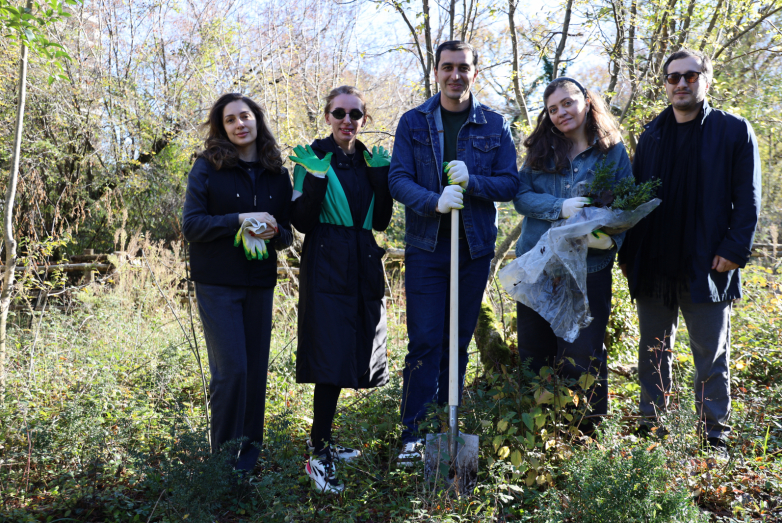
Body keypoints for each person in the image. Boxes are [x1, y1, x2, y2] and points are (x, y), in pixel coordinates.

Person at [618, 49, 761, 456]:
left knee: (710, 355)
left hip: (709, 263)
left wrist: (735, 249)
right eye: (673, 77)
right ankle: (651, 427)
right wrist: (629, 253)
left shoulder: (733, 131)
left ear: (706, 80)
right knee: (652, 352)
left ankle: (714, 435)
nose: (681, 83)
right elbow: (636, 200)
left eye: (690, 76)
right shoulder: (652, 135)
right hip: (654, 265)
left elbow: (747, 199)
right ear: (665, 84)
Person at [388, 40, 519, 465]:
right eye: (447, 67)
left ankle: (449, 427)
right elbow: (397, 180)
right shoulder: (413, 122)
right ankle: (412, 431)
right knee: (425, 340)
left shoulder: (495, 125)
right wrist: (433, 201)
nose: (455, 75)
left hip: (473, 247)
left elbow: (511, 184)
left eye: (463, 67)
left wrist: (474, 181)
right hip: (426, 247)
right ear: (436, 71)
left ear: (474, 72)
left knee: (458, 341)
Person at [289, 85, 394, 494]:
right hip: (327, 258)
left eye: (355, 114)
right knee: (329, 353)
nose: (347, 121)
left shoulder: (371, 159)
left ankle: (327, 440)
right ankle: (317, 452)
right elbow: (301, 220)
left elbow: (382, 220)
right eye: (339, 113)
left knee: (358, 347)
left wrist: (381, 179)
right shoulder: (310, 157)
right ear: (328, 116)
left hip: (364, 257)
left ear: (364, 119)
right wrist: (314, 176)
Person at [513, 77, 632, 433]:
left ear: (586, 101)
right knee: (535, 356)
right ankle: (537, 436)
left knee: (583, 354)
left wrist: (611, 241)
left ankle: (585, 436)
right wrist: (559, 207)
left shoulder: (612, 151)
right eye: (553, 109)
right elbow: (520, 196)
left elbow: (627, 203)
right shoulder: (540, 151)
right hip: (538, 268)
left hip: (589, 270)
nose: (561, 112)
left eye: (567, 103)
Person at [182, 93, 293, 473]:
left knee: (255, 375)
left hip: (260, 284)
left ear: (257, 120)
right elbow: (192, 226)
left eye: (245, 116)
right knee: (232, 373)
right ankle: (223, 466)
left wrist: (276, 230)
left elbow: (287, 235)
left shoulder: (277, 171)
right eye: (230, 120)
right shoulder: (207, 168)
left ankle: (247, 465)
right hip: (217, 284)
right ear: (222, 128)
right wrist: (239, 219)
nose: (239, 124)